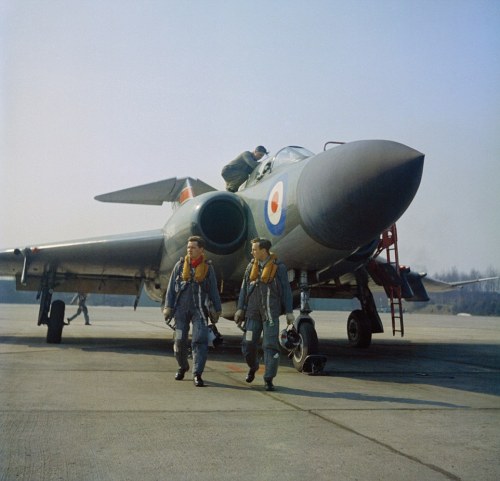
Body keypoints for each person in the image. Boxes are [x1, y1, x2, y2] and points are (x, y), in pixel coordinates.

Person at [234, 237, 294, 391]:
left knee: (270, 346)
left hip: (270, 315)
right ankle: (253, 366)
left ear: (263, 250)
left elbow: (286, 290)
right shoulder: (250, 267)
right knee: (247, 344)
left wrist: (289, 312)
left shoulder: (279, 267)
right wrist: (240, 308)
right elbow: (244, 289)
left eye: (254, 249)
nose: (252, 251)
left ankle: (268, 379)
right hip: (252, 313)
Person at [163, 236, 222, 387]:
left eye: (193, 247)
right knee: (179, 340)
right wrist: (168, 307)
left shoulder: (208, 268)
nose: (189, 250)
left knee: (199, 340)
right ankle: (182, 366)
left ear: (201, 249)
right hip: (181, 311)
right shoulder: (180, 265)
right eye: (188, 247)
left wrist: (217, 310)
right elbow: (170, 288)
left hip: (200, 311)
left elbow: (214, 290)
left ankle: (197, 373)